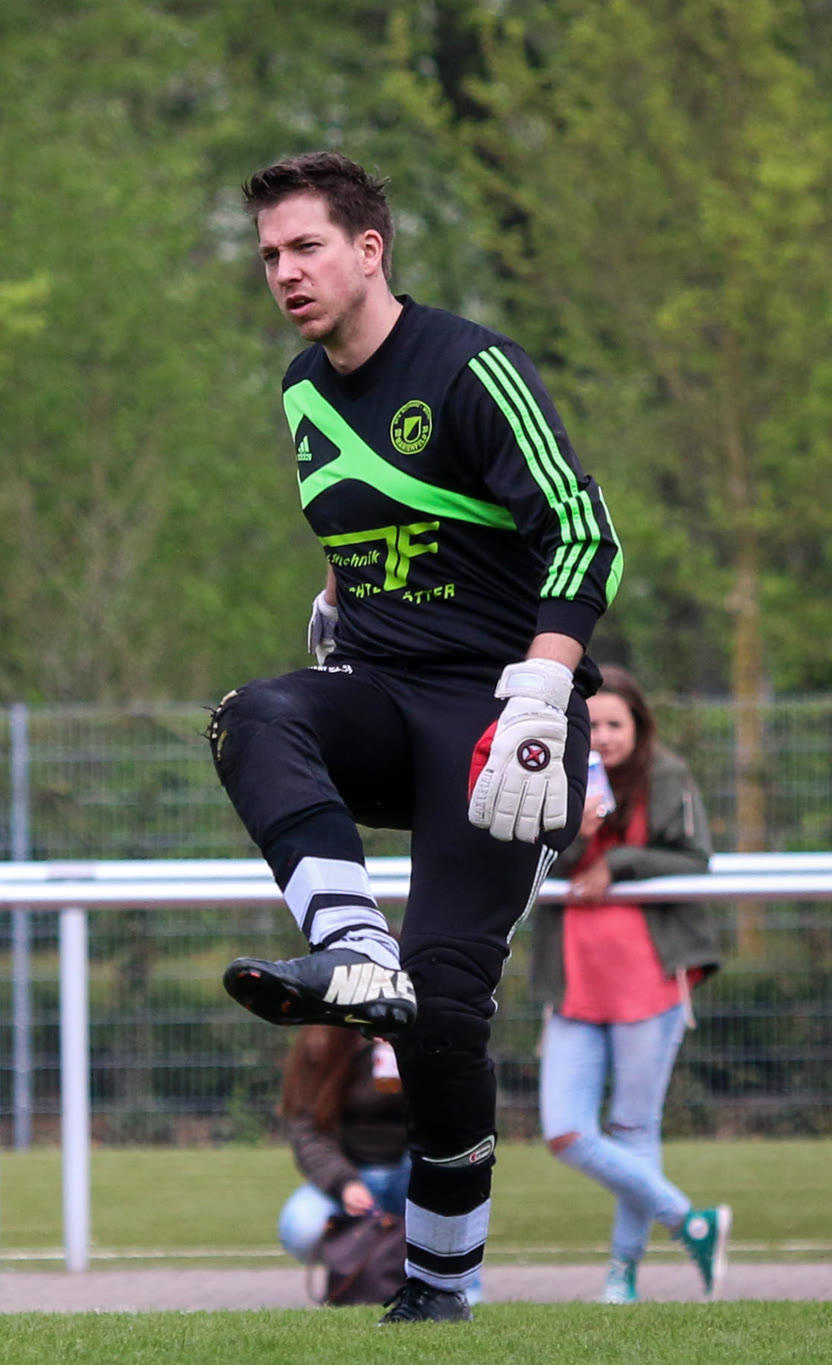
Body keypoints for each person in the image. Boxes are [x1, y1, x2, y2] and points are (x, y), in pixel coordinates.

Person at [205, 151, 622, 1323]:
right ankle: (353, 948)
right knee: (253, 713)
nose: (282, 272)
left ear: (368, 248)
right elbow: (369, 531)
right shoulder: (300, 390)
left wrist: (542, 690)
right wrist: (337, 600)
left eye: (303, 247)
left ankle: (437, 1292)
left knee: (441, 1011)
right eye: (268, 255)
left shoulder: (470, 366)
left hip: (505, 727)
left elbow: (581, 534)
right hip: (384, 696)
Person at [533, 664, 728, 1303]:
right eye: (591, 726)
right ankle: (690, 1220)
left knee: (634, 1128)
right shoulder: (548, 776)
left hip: (649, 977)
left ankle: (622, 1278)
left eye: (616, 724)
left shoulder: (667, 777)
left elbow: (694, 859)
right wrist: (576, 836)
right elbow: (524, 867)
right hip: (574, 980)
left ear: (639, 727)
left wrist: (619, 861)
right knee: (565, 1131)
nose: (604, 737)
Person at [276, 1027, 409, 1269]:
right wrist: (344, 1183)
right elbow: (308, 1133)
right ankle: (362, 1277)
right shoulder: (322, 1037)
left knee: (446, 1213)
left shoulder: (430, 1025)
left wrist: (410, 1055)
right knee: (302, 1228)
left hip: (415, 1172)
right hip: (351, 1173)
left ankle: (453, 1284)